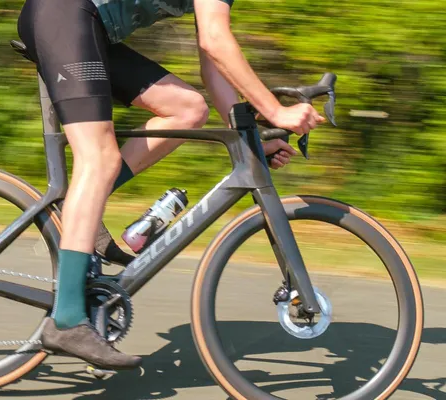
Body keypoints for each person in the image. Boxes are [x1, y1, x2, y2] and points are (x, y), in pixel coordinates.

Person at [17, 0, 324, 369]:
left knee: (189, 109)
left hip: (86, 26)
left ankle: (84, 210)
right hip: (65, 13)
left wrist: (249, 134)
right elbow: (215, 40)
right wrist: (276, 111)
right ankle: (66, 321)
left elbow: (215, 65)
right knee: (99, 158)